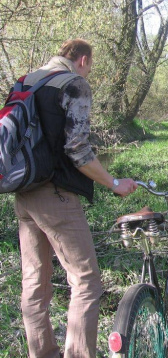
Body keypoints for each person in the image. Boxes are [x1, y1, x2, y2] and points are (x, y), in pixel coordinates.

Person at [13, 39, 138, 358]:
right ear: (83, 59)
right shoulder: (74, 83)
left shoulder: (26, 81)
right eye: (91, 66)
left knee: (34, 283)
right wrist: (114, 182)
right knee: (86, 282)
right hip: (56, 197)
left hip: (24, 194)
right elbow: (78, 151)